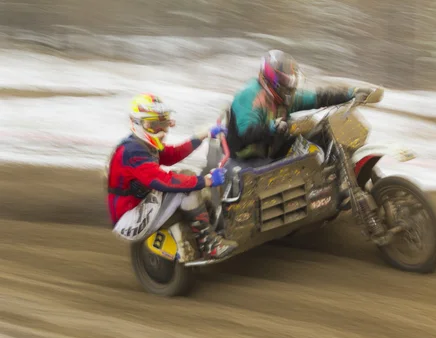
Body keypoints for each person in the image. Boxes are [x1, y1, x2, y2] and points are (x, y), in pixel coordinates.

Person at [105, 93, 238, 261]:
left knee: (191, 183)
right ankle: (209, 245)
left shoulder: (142, 144)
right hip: (129, 220)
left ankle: (207, 229)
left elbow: (173, 154)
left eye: (163, 124)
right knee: (187, 185)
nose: (160, 131)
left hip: (140, 207)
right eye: (153, 125)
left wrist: (204, 134)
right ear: (137, 124)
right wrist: (207, 180)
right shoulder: (133, 151)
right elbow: (163, 181)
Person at [225, 49, 373, 164]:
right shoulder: (251, 96)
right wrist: (272, 127)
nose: (288, 84)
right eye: (283, 79)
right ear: (270, 78)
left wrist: (351, 93)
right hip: (247, 156)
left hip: (271, 147)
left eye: (290, 80)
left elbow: (318, 98)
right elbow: (247, 132)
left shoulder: (284, 98)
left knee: (320, 135)